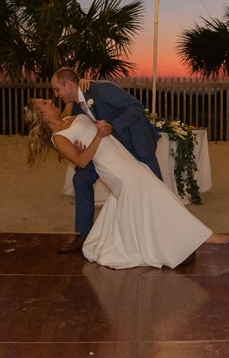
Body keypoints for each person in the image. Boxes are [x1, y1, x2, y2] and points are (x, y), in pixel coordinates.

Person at [26, 98, 229, 268]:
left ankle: (176, 237)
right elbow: (81, 161)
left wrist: (81, 83)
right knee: (154, 190)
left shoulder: (68, 116)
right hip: (111, 165)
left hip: (120, 155)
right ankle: (202, 234)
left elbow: (70, 96)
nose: (50, 100)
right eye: (44, 103)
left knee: (152, 190)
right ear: (43, 116)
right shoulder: (58, 137)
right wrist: (98, 136)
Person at [50, 67, 163, 254]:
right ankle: (85, 234)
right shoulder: (77, 104)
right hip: (107, 150)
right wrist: (79, 145)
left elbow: (136, 107)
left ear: (68, 84)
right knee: (81, 178)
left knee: (156, 187)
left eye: (56, 89)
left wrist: (113, 126)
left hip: (134, 141)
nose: (56, 94)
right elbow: (65, 124)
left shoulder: (101, 90)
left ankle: (167, 232)